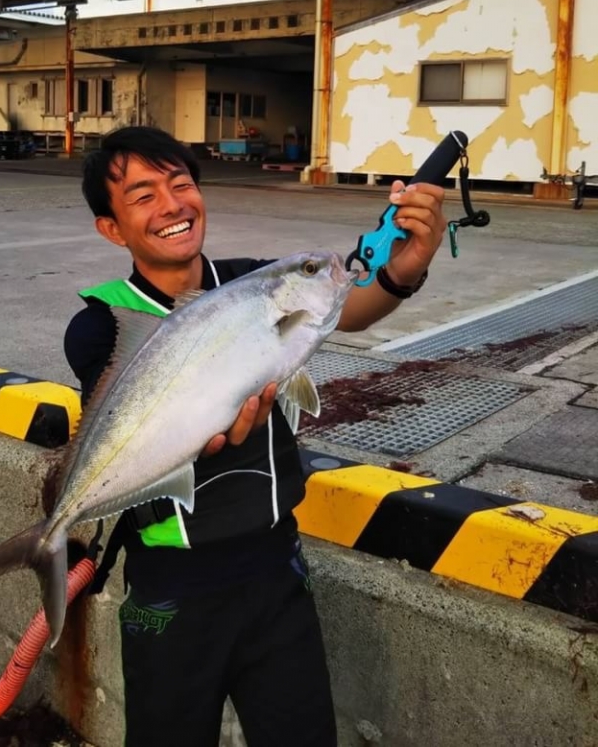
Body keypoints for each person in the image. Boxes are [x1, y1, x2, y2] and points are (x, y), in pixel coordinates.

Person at [64, 125, 447, 747]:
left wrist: (405, 269)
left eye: (181, 184)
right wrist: (211, 436)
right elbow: (144, 430)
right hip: (168, 589)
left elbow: (346, 309)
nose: (172, 205)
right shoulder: (100, 326)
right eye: (143, 196)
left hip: (276, 570)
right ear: (112, 227)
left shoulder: (250, 282)